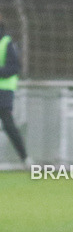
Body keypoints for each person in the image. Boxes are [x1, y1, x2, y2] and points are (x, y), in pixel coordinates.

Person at [0, 12, 29, 167]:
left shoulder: (7, 42)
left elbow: (14, 67)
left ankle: (25, 158)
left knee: (8, 125)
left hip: (3, 91)